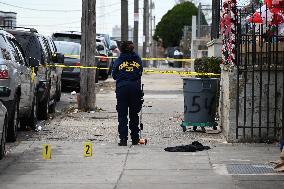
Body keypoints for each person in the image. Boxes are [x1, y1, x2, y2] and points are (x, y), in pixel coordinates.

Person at [112, 41, 143, 146]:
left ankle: (123, 140)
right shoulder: (137, 58)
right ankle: (135, 139)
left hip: (122, 89)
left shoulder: (119, 60)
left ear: (121, 49)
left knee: (122, 115)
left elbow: (114, 74)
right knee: (134, 115)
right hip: (135, 88)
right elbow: (140, 72)